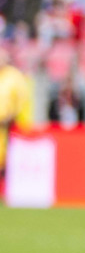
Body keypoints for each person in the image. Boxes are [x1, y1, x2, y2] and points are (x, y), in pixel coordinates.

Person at [0, 46, 34, 180]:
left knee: (8, 158)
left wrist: (12, 117)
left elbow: (22, 101)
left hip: (9, 126)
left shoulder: (14, 76)